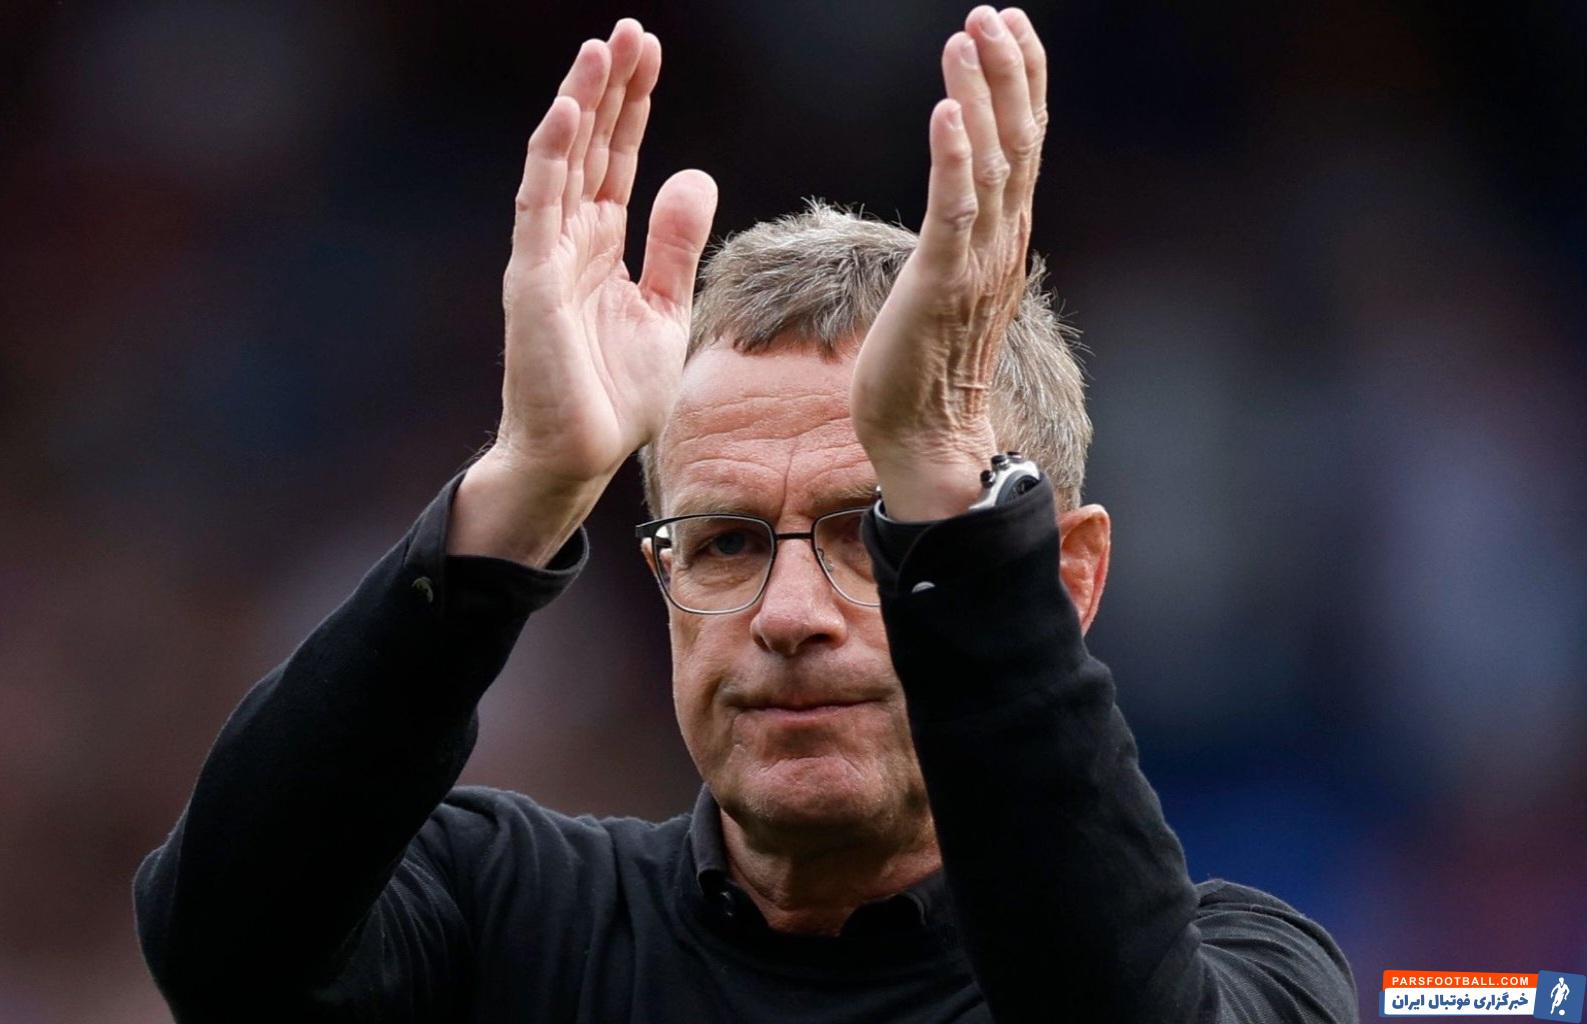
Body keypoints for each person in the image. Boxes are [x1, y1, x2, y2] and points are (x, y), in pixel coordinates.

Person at [133, 8, 1358, 1022]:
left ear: (1064, 580)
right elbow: (223, 953)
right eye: (724, 542)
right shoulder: (499, 913)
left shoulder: (1262, 973)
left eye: (875, 536)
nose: (788, 616)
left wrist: (949, 488)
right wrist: (528, 484)